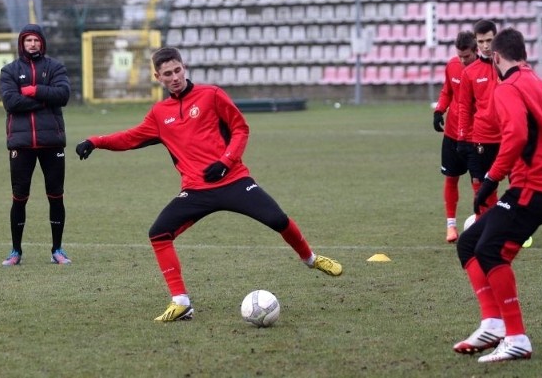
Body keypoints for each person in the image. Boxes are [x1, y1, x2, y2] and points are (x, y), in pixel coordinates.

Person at [75, 47, 343, 322]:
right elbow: (130, 138)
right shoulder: (159, 114)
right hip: (196, 190)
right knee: (158, 233)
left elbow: (241, 129)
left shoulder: (212, 95)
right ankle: (181, 302)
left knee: (277, 219)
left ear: (184, 67)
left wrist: (226, 161)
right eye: (168, 73)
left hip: (234, 179)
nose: (175, 77)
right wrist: (95, 141)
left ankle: (311, 259)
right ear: (158, 77)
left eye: (178, 70)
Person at [453, 27, 541, 363]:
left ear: (496, 57)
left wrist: (491, 178)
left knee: (490, 250)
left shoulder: (508, 87)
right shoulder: (538, 82)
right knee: (469, 244)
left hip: (534, 185)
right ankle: (493, 323)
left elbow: (517, 135)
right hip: (535, 183)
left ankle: (516, 336)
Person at [0, 23, 72, 266]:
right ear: (22, 43)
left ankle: (57, 250)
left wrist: (33, 90)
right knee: (19, 198)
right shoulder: (9, 70)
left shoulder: (55, 67)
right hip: (21, 144)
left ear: (42, 43)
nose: (33, 44)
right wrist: (43, 99)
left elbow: (63, 95)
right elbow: (11, 102)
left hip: (52, 143)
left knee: (56, 196)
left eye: (36, 40)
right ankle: (16, 251)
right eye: (28, 40)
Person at [433, 31, 478, 243]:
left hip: (477, 135)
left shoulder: (487, 70)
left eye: (466, 56)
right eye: (459, 55)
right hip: (452, 134)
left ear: (476, 50)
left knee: (479, 182)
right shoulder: (452, 65)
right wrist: (439, 110)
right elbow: (447, 91)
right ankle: (450, 226)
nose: (462, 60)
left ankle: (482, 222)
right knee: (451, 178)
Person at [456, 20, 500, 217]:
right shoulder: (469, 73)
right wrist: (462, 137)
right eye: (481, 41)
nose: (485, 45)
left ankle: (515, 229)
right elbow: (464, 107)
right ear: (476, 42)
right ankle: (486, 227)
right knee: (480, 186)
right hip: (482, 137)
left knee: (519, 184)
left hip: (509, 135)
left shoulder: (509, 67)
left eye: (489, 40)